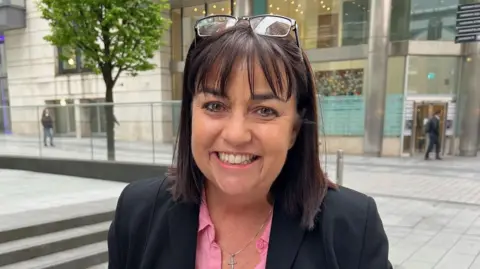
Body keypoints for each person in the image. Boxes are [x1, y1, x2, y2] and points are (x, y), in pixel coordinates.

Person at [108, 15, 392, 269]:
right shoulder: (138, 212)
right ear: (190, 115)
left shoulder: (352, 228)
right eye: (215, 106)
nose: (236, 134)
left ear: (294, 128)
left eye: (265, 111)